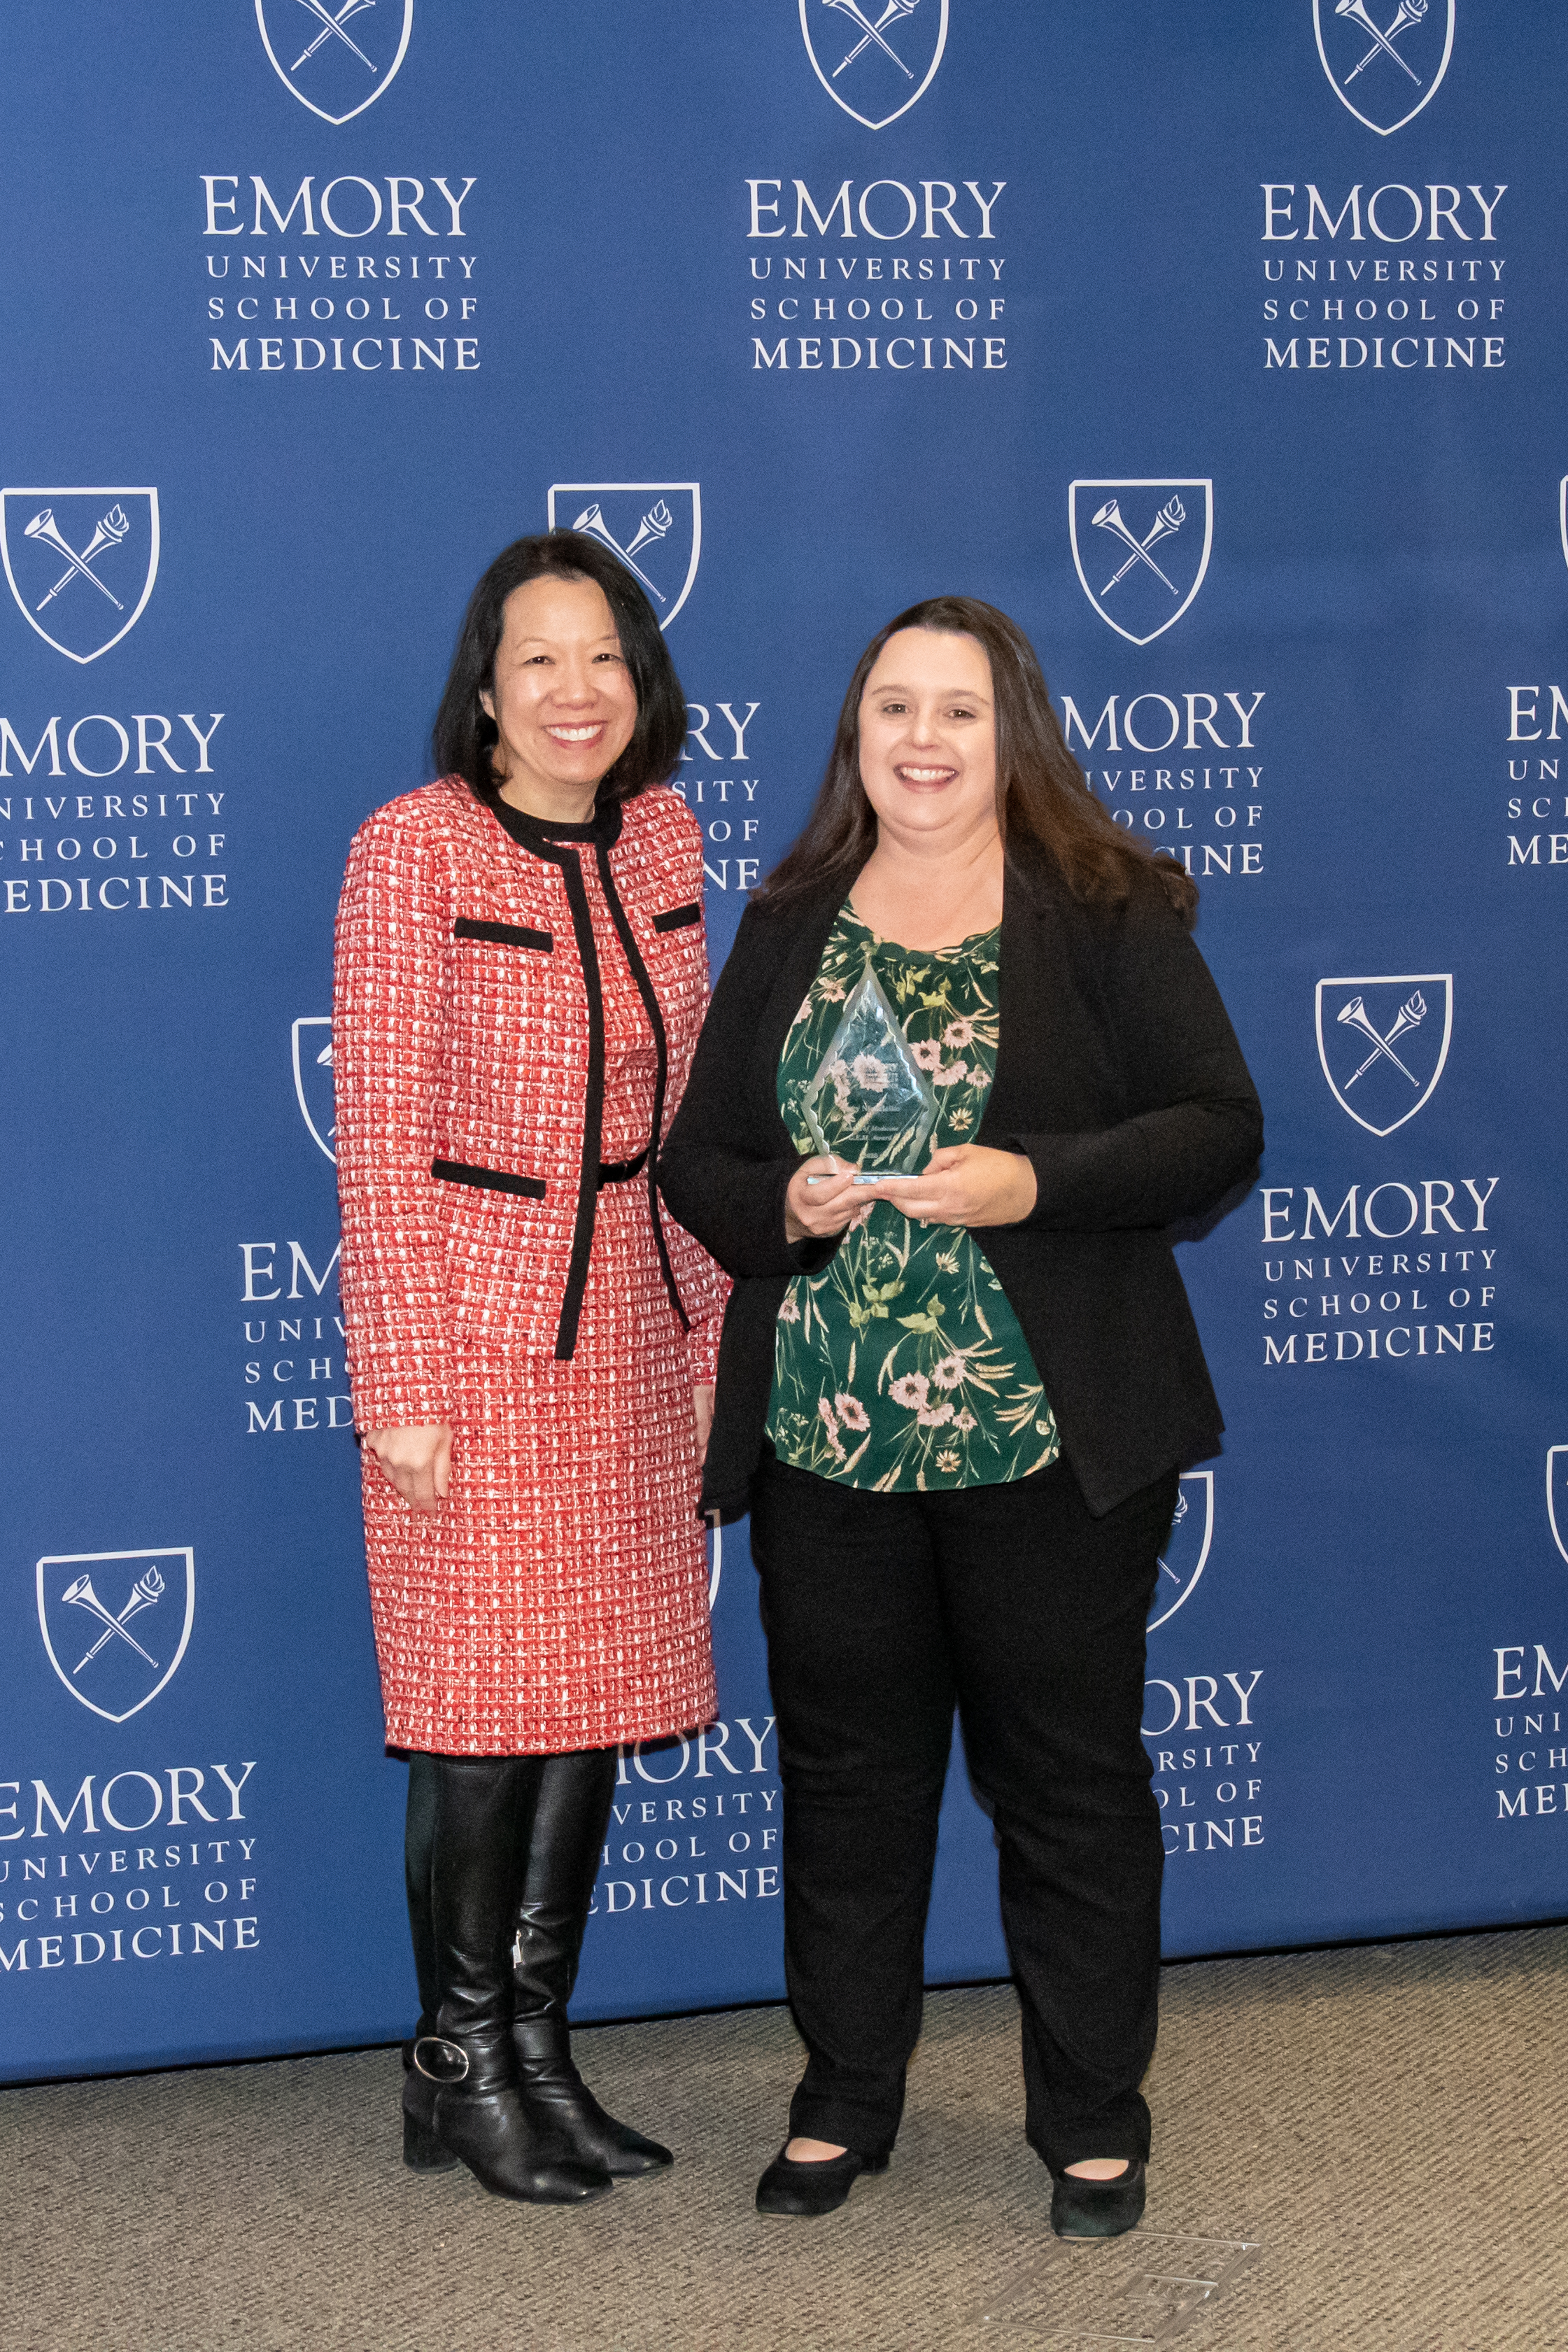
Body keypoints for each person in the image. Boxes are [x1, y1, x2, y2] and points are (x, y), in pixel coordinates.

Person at [660, 597, 1261, 2237]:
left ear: (1014, 736)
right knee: (848, 1785)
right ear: (852, 734)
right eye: (891, 708)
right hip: (826, 1442)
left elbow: (1217, 1126)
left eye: (957, 711)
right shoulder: (790, 914)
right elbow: (699, 1159)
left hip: (1046, 1447)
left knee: (1066, 1785)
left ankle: (1091, 2116)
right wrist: (781, 1202)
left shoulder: (1104, 908)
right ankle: (843, 2095)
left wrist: (1032, 1180)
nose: (919, 740)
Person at [334, 531, 726, 2205]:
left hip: (632, 1328)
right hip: (474, 1341)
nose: (577, 691)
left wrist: (709, 1334)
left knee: (592, 1707)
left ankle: (540, 2056)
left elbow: (696, 1120)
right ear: (484, 691)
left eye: (604, 657)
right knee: (482, 1719)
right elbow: (378, 1138)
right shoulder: (412, 849)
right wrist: (401, 1383)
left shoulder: (665, 836)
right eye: (539, 660)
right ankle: (458, 2062)